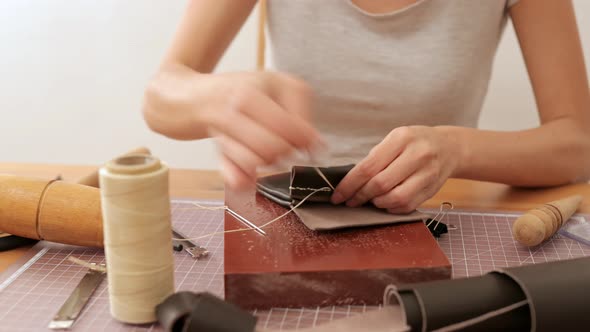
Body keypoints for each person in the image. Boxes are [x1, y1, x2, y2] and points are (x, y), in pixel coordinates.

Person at [142, 0, 590, 214]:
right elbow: (160, 94)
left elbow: (577, 142)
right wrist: (211, 99)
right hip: (286, 213)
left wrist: (455, 149)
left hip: (432, 215)